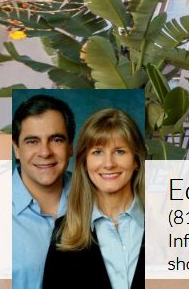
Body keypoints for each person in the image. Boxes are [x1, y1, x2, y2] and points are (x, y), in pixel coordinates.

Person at [43, 108, 144, 289]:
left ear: (136, 160)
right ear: (84, 162)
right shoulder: (63, 233)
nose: (109, 164)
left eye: (120, 151)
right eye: (97, 152)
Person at [11, 94, 74, 289]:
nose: (45, 152)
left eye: (56, 139)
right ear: (16, 149)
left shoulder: (98, 195)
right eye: (32, 141)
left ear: (70, 147)